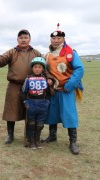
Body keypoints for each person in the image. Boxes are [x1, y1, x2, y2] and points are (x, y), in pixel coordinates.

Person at [0, 29, 41, 144]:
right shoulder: (12, 52)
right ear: (17, 40)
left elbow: (42, 66)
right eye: (21, 38)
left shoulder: (36, 53)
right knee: (11, 110)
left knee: (29, 111)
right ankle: (10, 134)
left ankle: (29, 135)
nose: (23, 40)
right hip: (14, 86)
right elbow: (2, 59)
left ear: (29, 39)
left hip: (31, 86)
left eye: (26, 37)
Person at [41, 23, 84, 155]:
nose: (56, 40)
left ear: (63, 39)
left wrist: (69, 85)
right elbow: (45, 70)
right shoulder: (47, 55)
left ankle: (73, 141)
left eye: (58, 38)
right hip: (53, 89)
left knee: (69, 114)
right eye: (53, 39)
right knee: (52, 113)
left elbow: (79, 69)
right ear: (50, 40)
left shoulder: (71, 53)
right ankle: (52, 136)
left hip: (66, 89)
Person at [21, 57, 54, 149]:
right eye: (35, 67)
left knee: (40, 124)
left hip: (43, 104)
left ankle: (37, 140)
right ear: (32, 68)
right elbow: (23, 92)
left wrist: (47, 101)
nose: (37, 69)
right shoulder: (28, 79)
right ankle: (31, 141)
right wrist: (26, 102)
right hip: (31, 104)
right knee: (31, 123)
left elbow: (48, 92)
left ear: (43, 68)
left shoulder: (46, 79)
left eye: (39, 67)